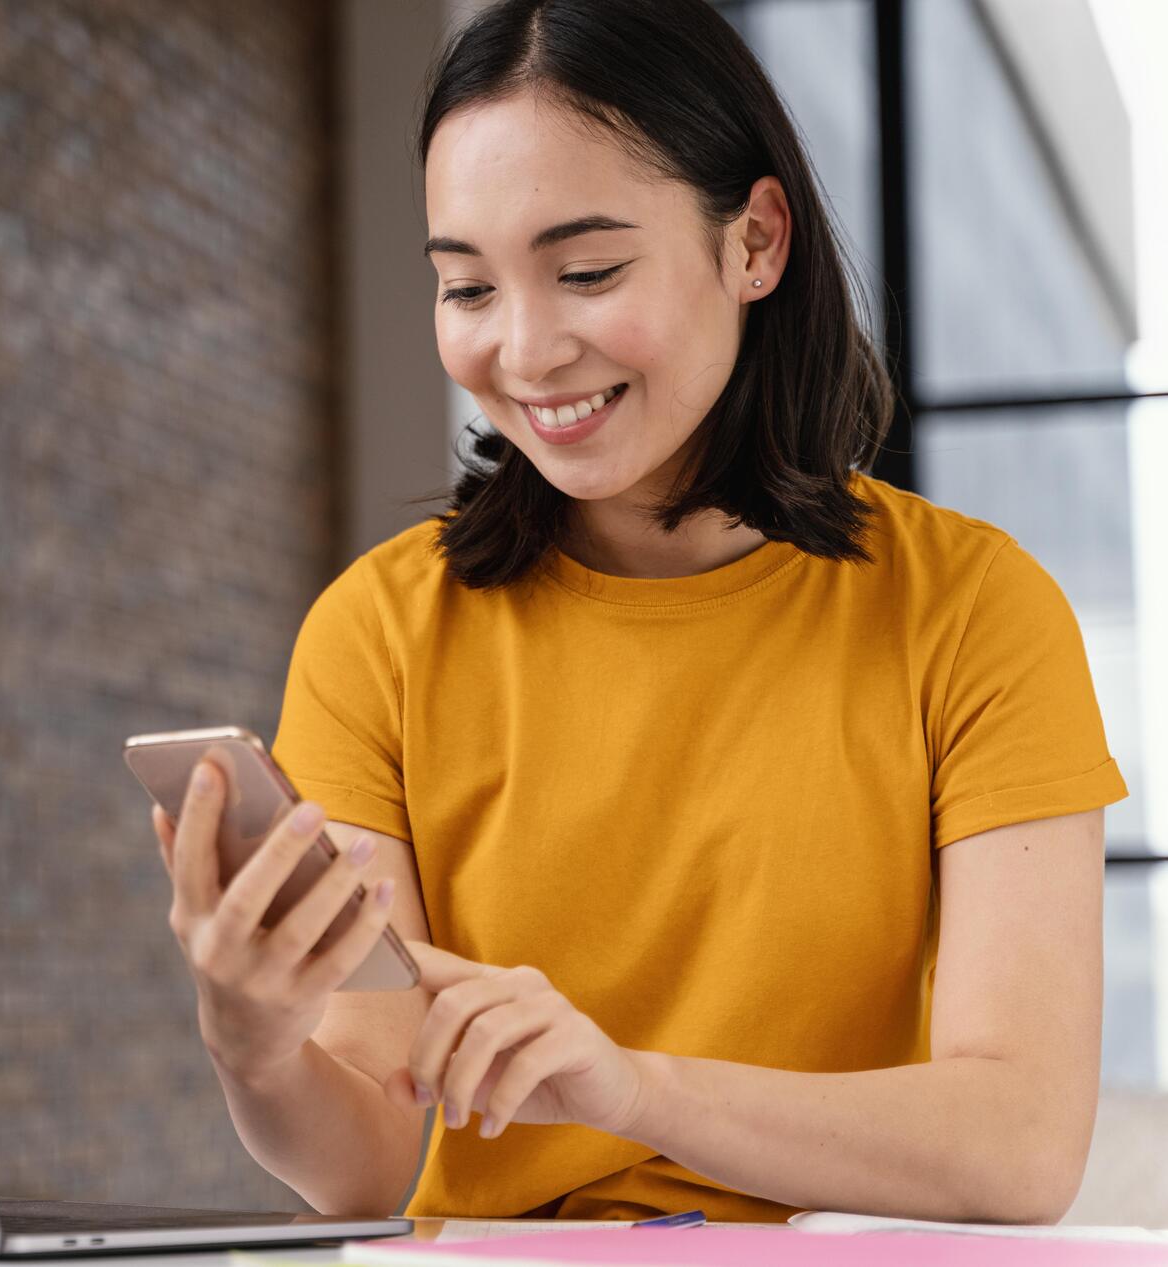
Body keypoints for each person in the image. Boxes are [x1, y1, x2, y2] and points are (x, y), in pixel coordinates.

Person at [148, 0, 1127, 1226]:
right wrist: (256, 1042)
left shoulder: (972, 611)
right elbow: (356, 1166)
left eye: (587, 271)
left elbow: (1017, 1146)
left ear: (755, 242)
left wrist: (629, 1087)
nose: (524, 347)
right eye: (465, 287)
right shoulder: (378, 632)